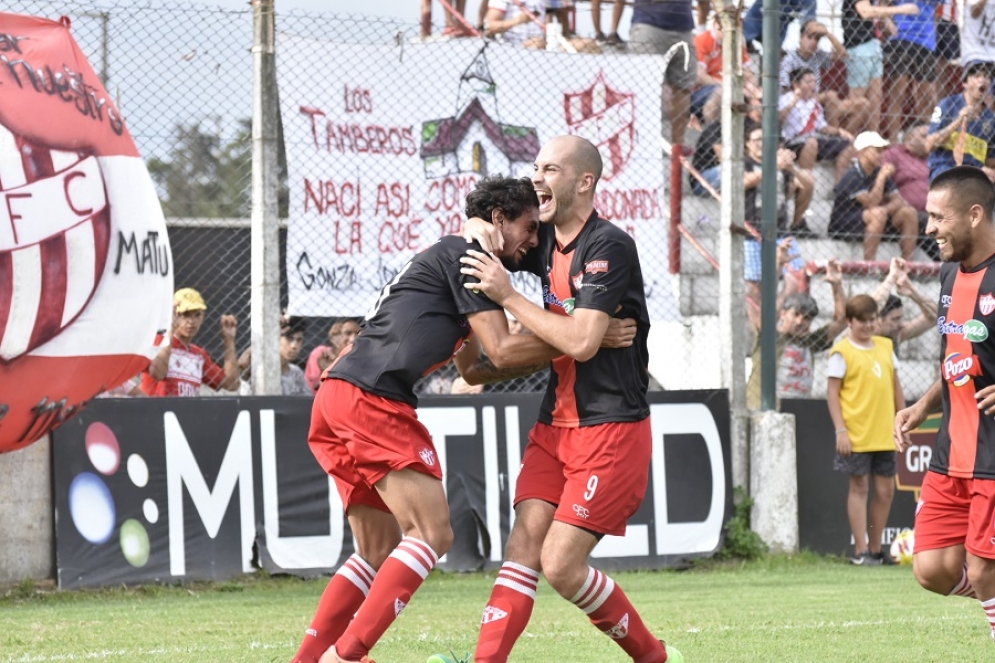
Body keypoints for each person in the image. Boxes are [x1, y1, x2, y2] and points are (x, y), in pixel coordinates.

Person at [293, 175, 635, 663]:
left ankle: (306, 658)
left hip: (336, 396)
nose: (534, 241)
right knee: (433, 534)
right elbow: (503, 347)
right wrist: (586, 335)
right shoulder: (473, 257)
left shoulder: (459, 251)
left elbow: (475, 366)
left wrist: (563, 348)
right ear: (498, 220)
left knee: (377, 547)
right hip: (373, 397)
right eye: (528, 229)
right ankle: (343, 657)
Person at [451, 135, 681, 663]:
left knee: (560, 565)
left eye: (549, 169)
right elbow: (482, 232)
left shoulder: (609, 246)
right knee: (523, 549)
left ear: (584, 182)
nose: (537, 178)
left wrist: (510, 296)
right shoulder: (542, 239)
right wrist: (476, 228)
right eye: (535, 167)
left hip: (609, 430)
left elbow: (579, 342)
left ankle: (653, 657)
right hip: (555, 425)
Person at [894, 165, 995, 640]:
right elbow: (957, 360)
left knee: (982, 571)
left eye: (939, 217)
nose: (929, 228)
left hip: (993, 453)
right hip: (951, 449)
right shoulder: (949, 274)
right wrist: (923, 405)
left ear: (975, 214)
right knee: (931, 566)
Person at [826, 294, 904, 565]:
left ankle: (875, 549)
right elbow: (832, 395)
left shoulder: (885, 346)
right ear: (850, 321)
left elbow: (896, 388)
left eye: (873, 320)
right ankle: (860, 551)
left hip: (884, 433)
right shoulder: (841, 352)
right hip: (856, 435)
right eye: (863, 321)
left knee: (885, 492)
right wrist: (841, 431)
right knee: (859, 489)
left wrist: (902, 420)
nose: (869, 326)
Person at [746, 260, 847, 410]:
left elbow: (842, 321)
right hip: (763, 408)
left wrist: (837, 285)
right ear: (783, 314)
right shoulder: (770, 337)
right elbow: (762, 314)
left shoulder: (810, 341)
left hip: (799, 409)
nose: (800, 322)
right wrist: (778, 266)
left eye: (806, 318)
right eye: (796, 314)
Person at [629, 0, 709, 152]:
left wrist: (701, 30)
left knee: (683, 88)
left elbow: (704, 3)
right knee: (646, 89)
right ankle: (645, 143)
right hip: (650, 25)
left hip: (682, 28)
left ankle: (677, 145)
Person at [829, 130, 920, 261]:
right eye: (877, 151)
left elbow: (899, 201)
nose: (881, 155)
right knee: (877, 214)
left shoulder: (877, 171)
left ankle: (908, 264)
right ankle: (869, 265)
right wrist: (881, 178)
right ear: (864, 151)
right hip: (845, 225)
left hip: (873, 222)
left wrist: (884, 210)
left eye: (882, 150)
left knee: (909, 212)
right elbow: (871, 203)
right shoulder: (852, 175)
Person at [140, 287, 239, 397]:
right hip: (157, 412)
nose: (191, 321)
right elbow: (157, 373)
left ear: (203, 317)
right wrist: (170, 327)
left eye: (197, 315)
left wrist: (228, 340)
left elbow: (232, 385)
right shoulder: (158, 342)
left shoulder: (199, 355)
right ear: (174, 315)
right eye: (185, 314)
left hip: (185, 413)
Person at [840, 0, 920, 134]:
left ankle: (873, 141)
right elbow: (866, 11)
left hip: (873, 44)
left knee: (875, 101)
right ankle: (844, 140)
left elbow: (875, 9)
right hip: (859, 47)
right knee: (857, 102)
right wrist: (901, 9)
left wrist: (887, 19)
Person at [779, 20, 870, 134]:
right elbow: (786, 90)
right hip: (799, 101)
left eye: (817, 39)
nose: (813, 42)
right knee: (831, 96)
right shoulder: (789, 60)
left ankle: (841, 136)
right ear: (800, 38)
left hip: (817, 98)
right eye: (809, 37)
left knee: (863, 104)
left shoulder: (818, 55)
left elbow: (843, 55)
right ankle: (836, 139)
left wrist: (827, 33)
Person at [779, 67, 855, 183]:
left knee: (848, 144)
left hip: (813, 139)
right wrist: (795, 100)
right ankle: (805, 180)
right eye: (808, 82)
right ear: (796, 85)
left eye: (814, 82)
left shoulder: (814, 104)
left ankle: (839, 185)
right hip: (793, 141)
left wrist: (839, 131)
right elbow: (779, 118)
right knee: (812, 142)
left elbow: (822, 127)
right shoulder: (786, 99)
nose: (813, 85)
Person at [881, 0, 940, 142]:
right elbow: (881, 5)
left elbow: (937, 11)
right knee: (898, 92)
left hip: (926, 42)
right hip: (902, 38)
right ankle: (894, 143)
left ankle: (927, 139)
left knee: (928, 95)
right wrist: (888, 23)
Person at [926, 61, 995, 182]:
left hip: (976, 172)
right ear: (965, 83)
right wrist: (958, 122)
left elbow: (990, 159)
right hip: (946, 167)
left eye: (987, 77)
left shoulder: (991, 118)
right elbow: (929, 145)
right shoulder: (947, 105)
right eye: (977, 76)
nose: (983, 80)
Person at [744, 122, 815, 236]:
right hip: (751, 231)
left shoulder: (780, 164)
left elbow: (808, 186)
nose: (761, 144)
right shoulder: (744, 163)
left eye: (765, 139)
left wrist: (791, 167)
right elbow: (745, 182)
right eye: (757, 140)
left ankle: (796, 225)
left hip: (779, 229)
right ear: (747, 143)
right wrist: (775, 166)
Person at [872, 257, 938, 348]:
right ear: (878, 320)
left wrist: (912, 291)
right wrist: (892, 276)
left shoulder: (898, 334)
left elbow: (935, 316)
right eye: (895, 319)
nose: (900, 324)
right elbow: (874, 306)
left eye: (900, 318)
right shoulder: (864, 335)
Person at [238, 315, 312, 396]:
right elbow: (242, 363)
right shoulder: (259, 369)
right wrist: (270, 333)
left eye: (299, 340)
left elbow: (308, 402)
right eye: (289, 338)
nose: (294, 346)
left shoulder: (296, 373)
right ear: (276, 338)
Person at [305, 318, 361, 392]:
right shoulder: (320, 353)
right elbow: (313, 384)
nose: (353, 339)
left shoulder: (360, 358)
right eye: (348, 333)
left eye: (357, 334)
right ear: (334, 335)